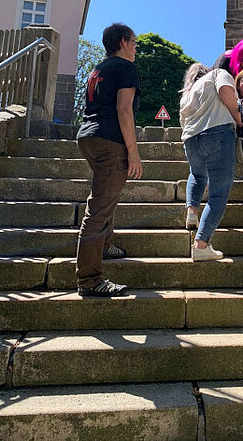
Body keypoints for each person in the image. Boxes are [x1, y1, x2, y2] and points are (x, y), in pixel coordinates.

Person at [76, 23, 142, 297]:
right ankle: (90, 280)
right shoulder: (126, 68)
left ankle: (105, 245)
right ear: (124, 42)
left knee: (106, 194)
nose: (136, 48)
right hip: (109, 140)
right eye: (134, 42)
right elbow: (124, 110)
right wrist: (134, 153)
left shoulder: (97, 70)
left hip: (88, 137)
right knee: (100, 207)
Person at [180, 63, 243, 260]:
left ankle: (192, 212)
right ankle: (201, 245)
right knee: (217, 194)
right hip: (217, 131)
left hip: (191, 140)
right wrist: (238, 117)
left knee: (197, 174)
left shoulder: (187, 94)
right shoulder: (218, 74)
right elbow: (225, 90)